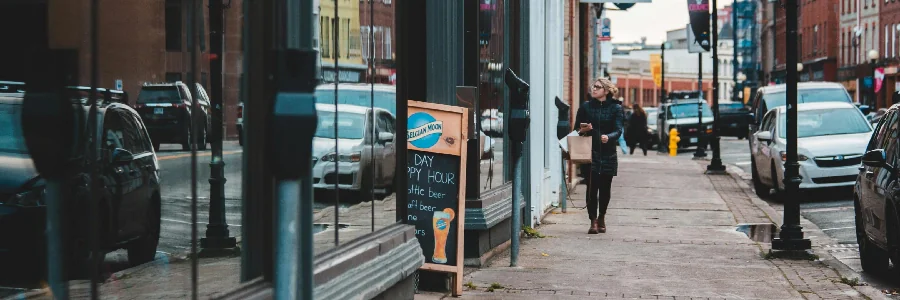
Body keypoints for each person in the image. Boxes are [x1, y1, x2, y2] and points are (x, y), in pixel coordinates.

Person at [574, 77, 624, 234]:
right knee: (591, 188)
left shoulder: (616, 108)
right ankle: (593, 221)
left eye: (597, 87)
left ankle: (602, 216)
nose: (593, 89)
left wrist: (609, 137)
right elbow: (576, 129)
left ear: (606, 91)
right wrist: (583, 130)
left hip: (608, 153)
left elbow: (619, 129)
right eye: (593, 86)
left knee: (605, 189)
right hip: (590, 152)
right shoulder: (586, 107)